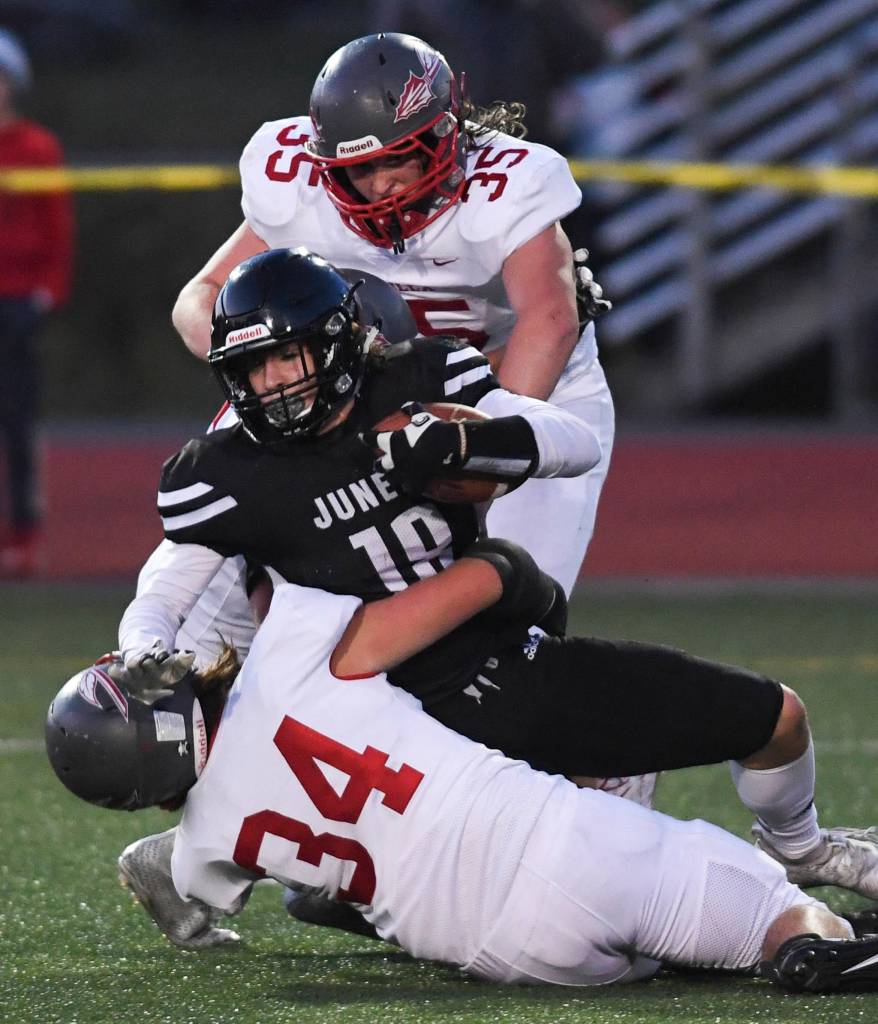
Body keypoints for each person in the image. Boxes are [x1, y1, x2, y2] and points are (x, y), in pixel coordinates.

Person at [117, 248, 878, 913]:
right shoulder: (228, 468)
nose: (273, 383)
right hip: (374, 716)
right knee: (619, 875)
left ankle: (798, 847)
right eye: (252, 366)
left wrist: (461, 442)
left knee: (775, 718)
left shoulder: (422, 381)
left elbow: (571, 443)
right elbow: (173, 575)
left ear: (345, 344)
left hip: (496, 667)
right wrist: (143, 643)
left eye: (288, 357)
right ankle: (297, 885)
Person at [45, 543, 878, 993]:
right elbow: (478, 583)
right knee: (788, 921)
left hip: (502, 956)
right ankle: (815, 947)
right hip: (557, 845)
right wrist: (516, 580)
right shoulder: (291, 655)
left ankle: (750, 936)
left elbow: (197, 885)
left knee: (683, 941)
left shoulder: (202, 844)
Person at [170, 30, 613, 598]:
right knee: (232, 588)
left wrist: (469, 444)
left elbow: (549, 323)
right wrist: (269, 371)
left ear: (445, 134)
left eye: (398, 159)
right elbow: (202, 295)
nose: (381, 186)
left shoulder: (507, 187)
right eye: (362, 169)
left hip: (525, 386)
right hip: (356, 394)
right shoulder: (298, 189)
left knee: (515, 606)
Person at [0, 29, 73, 577]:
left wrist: (48, 291)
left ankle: (25, 534)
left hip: (19, 302)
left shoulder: (37, 147)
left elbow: (57, 230)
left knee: (19, 420)